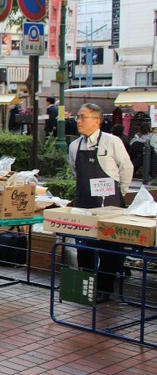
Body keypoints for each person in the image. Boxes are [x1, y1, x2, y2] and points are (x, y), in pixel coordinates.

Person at [69, 103, 134, 303]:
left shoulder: (112, 141)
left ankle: (105, 289)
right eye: (77, 118)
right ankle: (86, 286)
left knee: (109, 250)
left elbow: (127, 168)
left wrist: (120, 193)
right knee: (85, 248)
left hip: (110, 205)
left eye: (82, 117)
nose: (78, 121)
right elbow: (75, 171)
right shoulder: (74, 146)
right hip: (84, 203)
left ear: (97, 121)